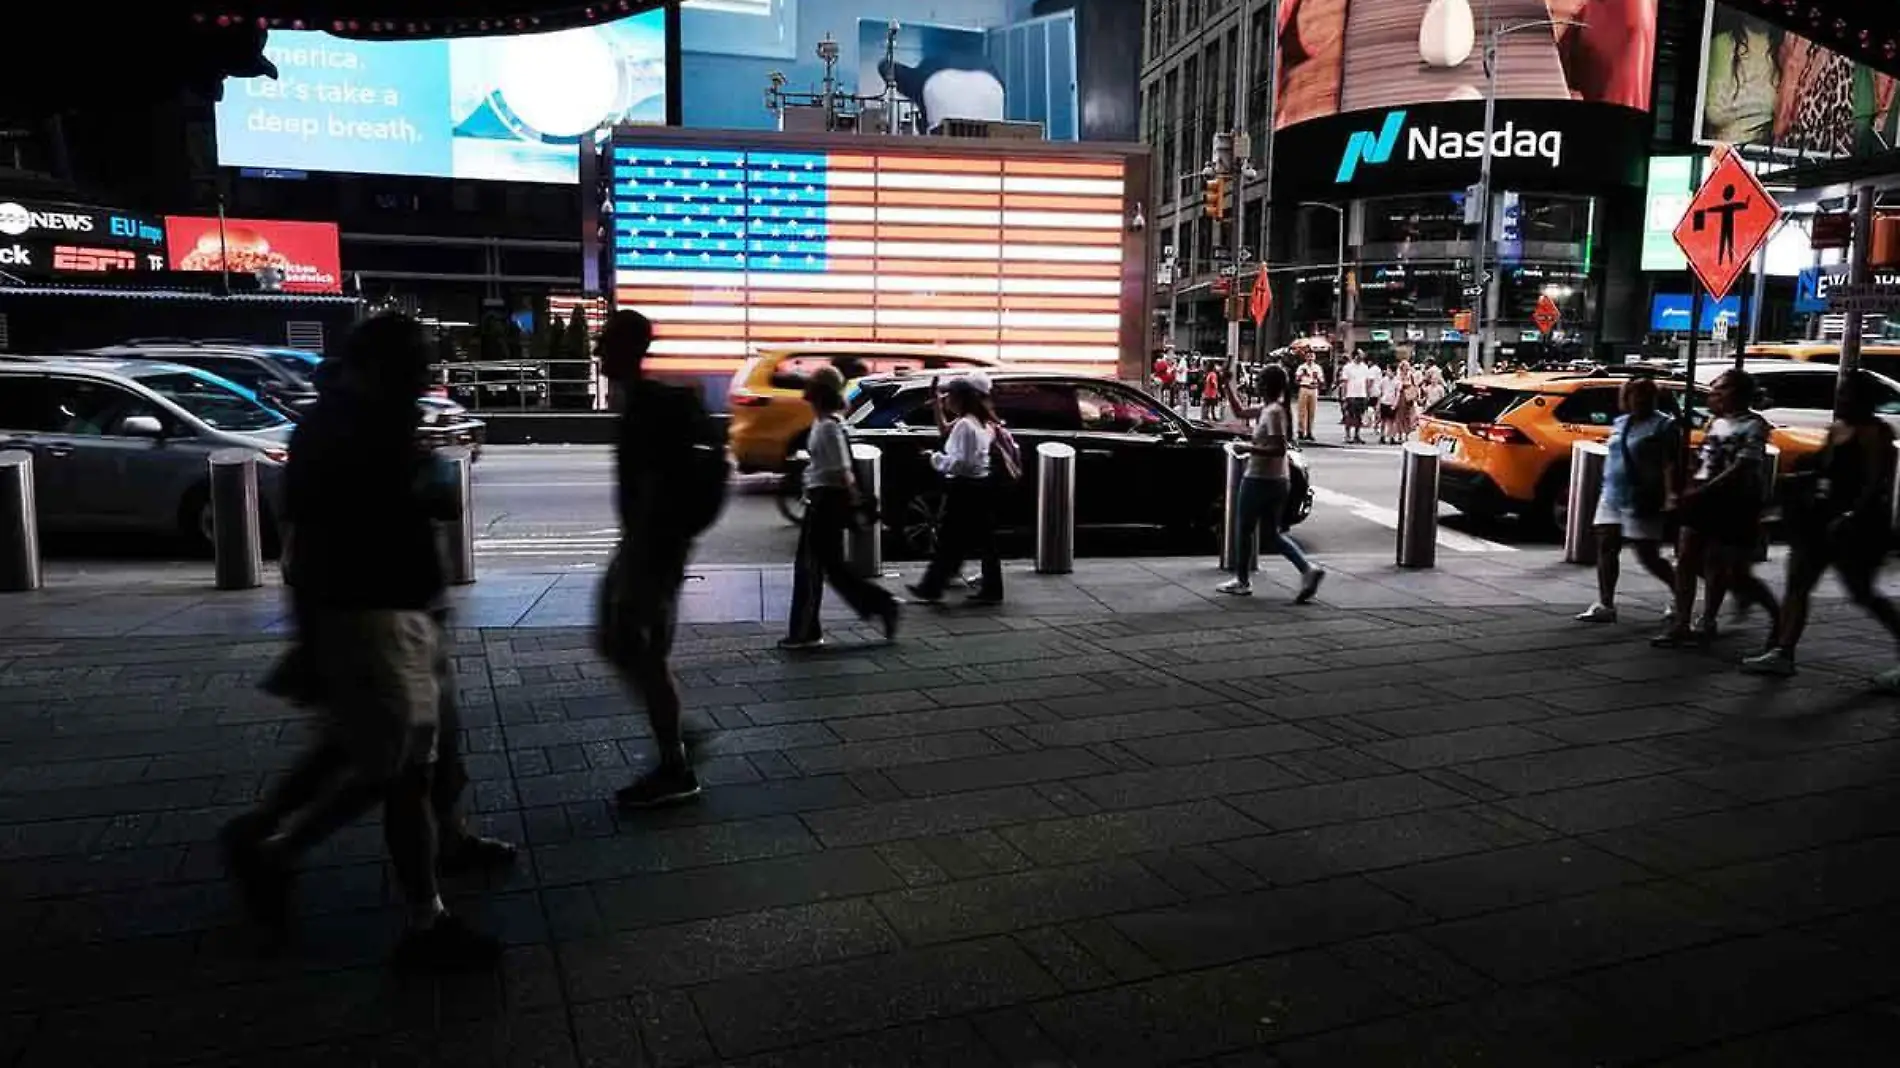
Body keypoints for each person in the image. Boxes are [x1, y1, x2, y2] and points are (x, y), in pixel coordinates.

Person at [222, 314, 500, 970]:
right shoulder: (353, 428)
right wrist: (314, 632)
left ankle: (270, 838)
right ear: (385, 367)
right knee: (399, 772)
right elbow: (417, 502)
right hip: (374, 620)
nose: (425, 377)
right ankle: (413, 915)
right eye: (417, 363)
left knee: (372, 751)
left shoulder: (348, 419)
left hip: (392, 614)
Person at [598, 310, 711, 808]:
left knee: (640, 649)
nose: (598, 352)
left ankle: (676, 761)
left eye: (604, 343)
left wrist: (637, 567)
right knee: (628, 646)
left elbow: (649, 493)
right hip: (651, 548)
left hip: (650, 551)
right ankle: (677, 743)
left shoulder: (645, 410)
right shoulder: (642, 404)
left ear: (627, 349)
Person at [1744, 372, 1900, 682]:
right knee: (1798, 585)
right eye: (1841, 395)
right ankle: (1783, 652)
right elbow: (1824, 470)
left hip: (1855, 527)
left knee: (1862, 592)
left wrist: (1852, 514)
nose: (1840, 401)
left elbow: (1874, 482)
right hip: (1819, 520)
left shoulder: (1874, 433)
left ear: (1864, 401)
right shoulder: (1835, 429)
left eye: (1848, 396)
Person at [1654, 369, 1782, 648]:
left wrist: (1704, 490)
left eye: (1721, 390)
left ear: (1740, 393)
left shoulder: (1755, 425)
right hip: (1701, 497)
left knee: (1717, 562)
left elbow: (1743, 465)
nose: (1715, 395)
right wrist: (1689, 486)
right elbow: (1703, 457)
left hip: (1731, 502)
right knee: (1686, 556)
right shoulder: (1715, 422)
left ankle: (1709, 618)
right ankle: (1682, 621)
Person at [783, 367, 901, 650]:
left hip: (826, 503)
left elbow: (843, 471)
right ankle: (882, 605)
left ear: (819, 392)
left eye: (810, 385)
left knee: (810, 568)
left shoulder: (828, 426)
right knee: (833, 568)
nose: (805, 390)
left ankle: (806, 632)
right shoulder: (825, 423)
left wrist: (855, 504)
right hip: (823, 499)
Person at [1218, 365, 1326, 601]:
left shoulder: (1274, 412)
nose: (1256, 383)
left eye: (1259, 381)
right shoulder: (1270, 409)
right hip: (1277, 480)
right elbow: (1239, 412)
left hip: (1260, 479)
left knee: (1244, 529)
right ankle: (1307, 570)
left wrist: (1246, 447)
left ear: (1266, 385)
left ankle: (1242, 580)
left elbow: (1279, 448)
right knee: (1271, 534)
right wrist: (1227, 384)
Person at [1576, 377, 1679, 624]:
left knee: (1647, 555)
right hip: (1612, 493)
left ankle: (1679, 593)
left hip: (1643, 497)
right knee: (1606, 545)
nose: (1641, 399)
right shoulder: (1620, 423)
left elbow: (1670, 464)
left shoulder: (1664, 426)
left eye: (1646, 394)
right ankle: (1605, 603)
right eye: (1635, 394)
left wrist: (1669, 494)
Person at [909, 376, 1004, 605]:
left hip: (964, 487)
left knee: (952, 540)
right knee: (975, 541)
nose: (946, 400)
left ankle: (932, 586)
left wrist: (934, 459)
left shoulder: (965, 425)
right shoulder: (982, 422)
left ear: (961, 398)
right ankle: (985, 588)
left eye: (949, 396)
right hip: (980, 485)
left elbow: (961, 463)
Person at [1293, 349, 1326, 442]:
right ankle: (1301, 431)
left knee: (1312, 412)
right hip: (1304, 388)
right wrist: (1301, 375)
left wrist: (1317, 378)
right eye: (1308, 356)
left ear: (1314, 357)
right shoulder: (1301, 367)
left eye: (1312, 356)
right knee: (1302, 411)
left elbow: (1322, 381)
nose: (1310, 358)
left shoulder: (1317, 368)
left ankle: (1309, 431)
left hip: (1313, 389)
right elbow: (1296, 380)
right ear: (1305, 357)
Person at [1339, 350, 1372, 444]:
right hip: (1351, 394)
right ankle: (1347, 434)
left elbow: (1367, 381)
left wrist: (1367, 394)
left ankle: (1357, 435)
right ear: (1356, 356)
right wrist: (1344, 395)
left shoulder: (1365, 367)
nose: (1362, 356)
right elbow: (1344, 382)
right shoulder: (1348, 367)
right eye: (1360, 355)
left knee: (1359, 416)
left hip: (1361, 394)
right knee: (1349, 415)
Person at [1376, 364, 1402, 444]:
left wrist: (1395, 404)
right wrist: (1378, 403)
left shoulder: (1397, 382)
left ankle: (1391, 437)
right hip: (1384, 402)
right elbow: (1380, 392)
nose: (1388, 372)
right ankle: (1382, 436)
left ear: (1394, 372)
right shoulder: (1383, 380)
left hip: (1392, 402)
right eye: (1387, 370)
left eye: (1389, 371)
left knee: (1391, 421)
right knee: (1383, 420)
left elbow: (1397, 394)